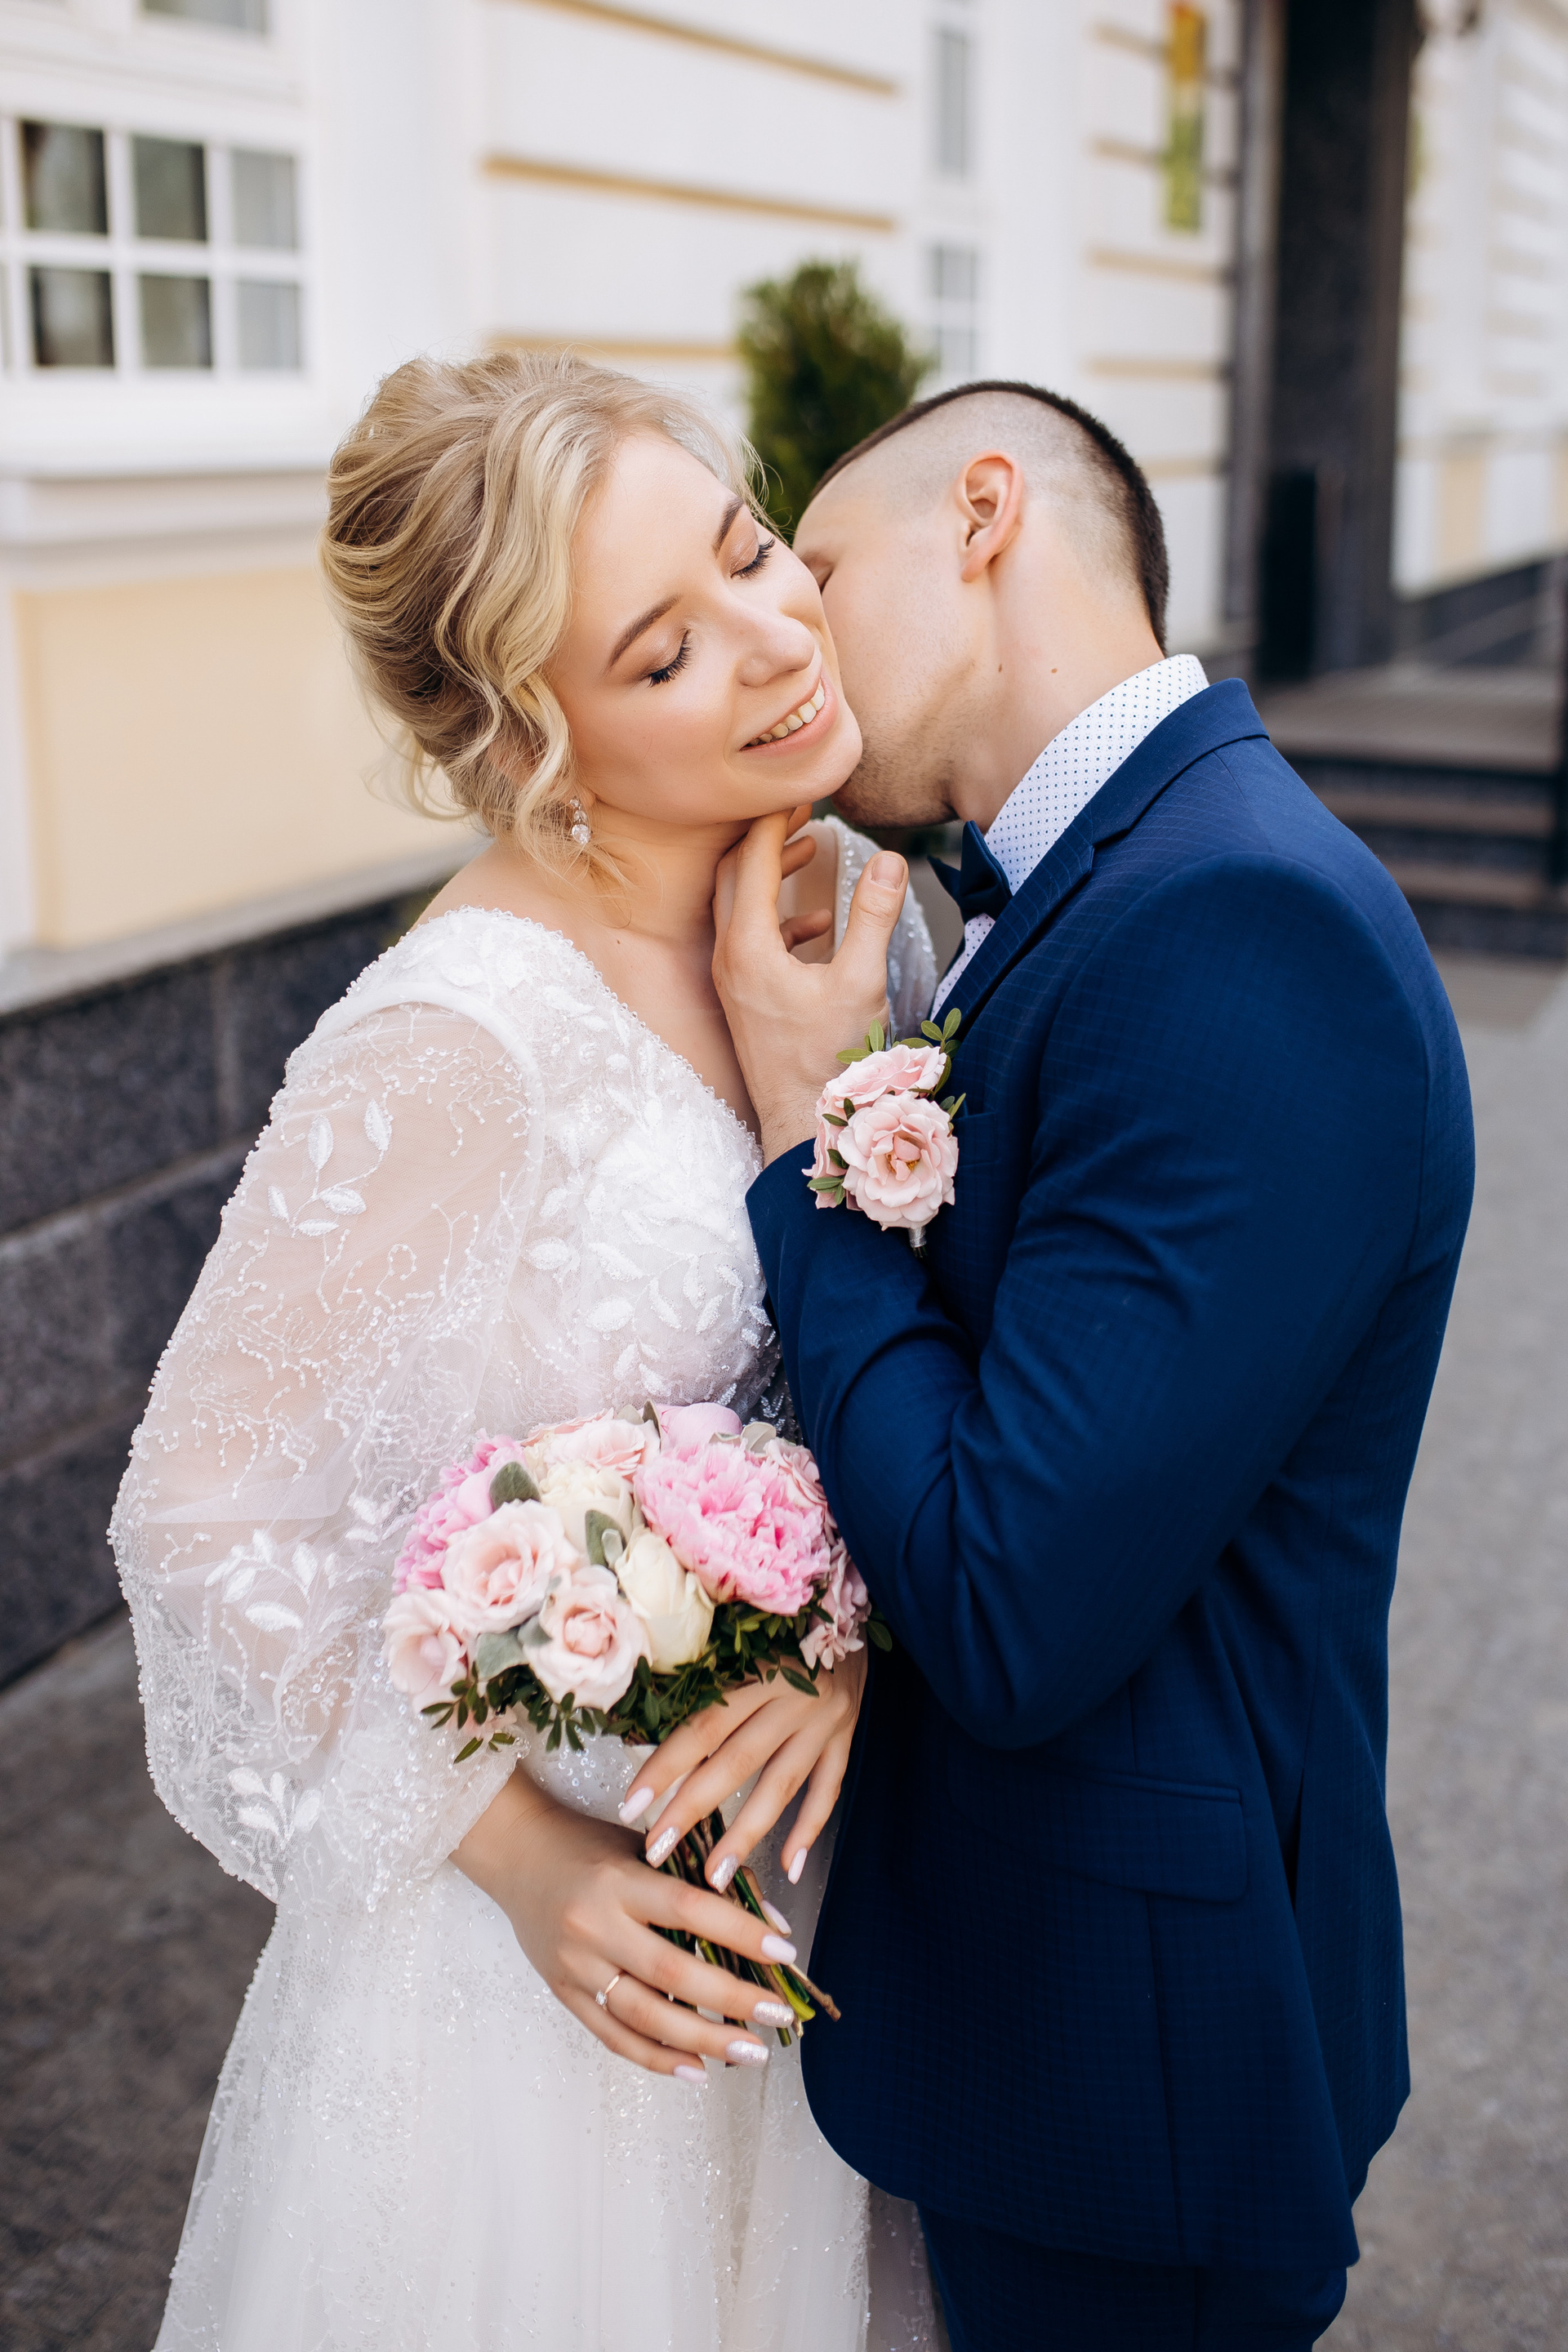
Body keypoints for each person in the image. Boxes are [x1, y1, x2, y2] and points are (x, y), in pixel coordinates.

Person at [111, 350, 941, 2352]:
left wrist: (851, 1637)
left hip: (808, 1889)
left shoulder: (848, 911)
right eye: (664, 652)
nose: (774, 639)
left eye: (751, 550)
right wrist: (517, 1854)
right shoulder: (462, 1039)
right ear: (531, 737)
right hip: (547, 1975)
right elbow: (199, 1511)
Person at [696, 382, 1476, 2351]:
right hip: (1049, 2005)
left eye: (818, 565)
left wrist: (805, 1137)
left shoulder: (1238, 921)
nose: (793, 627)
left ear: (985, 515)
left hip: (1137, 2063)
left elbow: (1009, 1595)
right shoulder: (1108, 883)